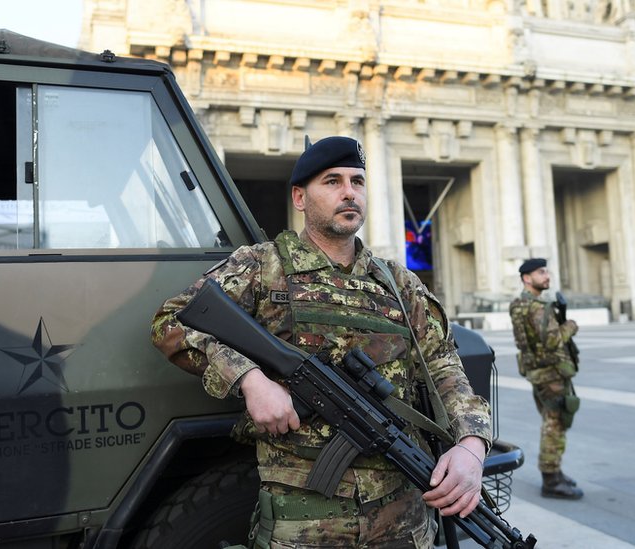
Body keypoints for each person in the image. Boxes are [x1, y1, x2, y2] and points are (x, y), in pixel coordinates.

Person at [152, 136, 493, 548]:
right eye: (332, 181)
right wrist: (249, 378)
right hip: (303, 526)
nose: (349, 192)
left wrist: (471, 446)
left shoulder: (399, 283)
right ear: (299, 197)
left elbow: (444, 366)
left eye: (358, 181)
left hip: (403, 523)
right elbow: (172, 322)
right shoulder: (263, 266)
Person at [509, 258, 583, 500]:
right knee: (554, 424)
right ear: (527, 278)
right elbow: (552, 341)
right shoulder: (538, 307)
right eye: (541, 272)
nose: (547, 275)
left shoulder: (518, 304)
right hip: (551, 373)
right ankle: (551, 480)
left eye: (547, 271)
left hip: (537, 372)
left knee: (551, 420)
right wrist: (570, 325)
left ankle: (556, 472)